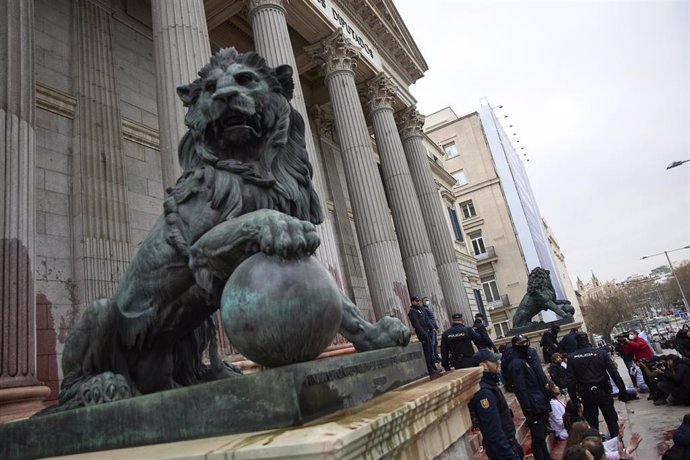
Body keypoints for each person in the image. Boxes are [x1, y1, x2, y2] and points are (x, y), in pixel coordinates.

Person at [566, 332, 629, 438]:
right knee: (612, 421)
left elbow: (570, 380)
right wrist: (622, 390)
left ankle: (597, 449)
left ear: (576, 342)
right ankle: (619, 447)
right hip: (603, 391)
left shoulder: (572, 358)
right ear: (588, 340)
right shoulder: (601, 353)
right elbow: (614, 373)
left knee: (593, 424)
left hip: (586, 394)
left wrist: (574, 399)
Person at [468, 348, 523, 460]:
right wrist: (508, 455)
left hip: (509, 444)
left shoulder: (490, 385)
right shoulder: (484, 393)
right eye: (494, 361)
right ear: (483, 366)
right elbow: (494, 430)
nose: (498, 363)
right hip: (503, 451)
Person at [506, 334, 550, 460]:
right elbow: (521, 389)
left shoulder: (526, 359)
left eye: (526, 342)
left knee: (541, 436)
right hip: (533, 405)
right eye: (521, 343)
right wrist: (529, 411)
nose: (525, 345)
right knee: (538, 437)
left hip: (539, 401)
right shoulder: (516, 363)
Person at [407, 296, 438, 375]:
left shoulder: (421, 309)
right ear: (413, 302)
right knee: (427, 351)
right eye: (417, 301)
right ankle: (429, 368)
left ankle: (433, 366)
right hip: (422, 333)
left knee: (431, 350)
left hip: (428, 331)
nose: (418, 302)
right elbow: (416, 324)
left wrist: (432, 328)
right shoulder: (412, 311)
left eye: (419, 301)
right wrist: (423, 333)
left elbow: (427, 320)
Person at [420, 296, 441, 363]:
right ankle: (433, 357)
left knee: (435, 344)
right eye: (426, 300)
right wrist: (432, 327)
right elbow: (428, 320)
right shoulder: (423, 309)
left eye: (428, 300)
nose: (427, 301)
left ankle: (436, 356)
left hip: (433, 328)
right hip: (431, 329)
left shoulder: (428, 308)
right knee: (432, 343)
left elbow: (432, 320)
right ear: (422, 301)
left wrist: (436, 327)